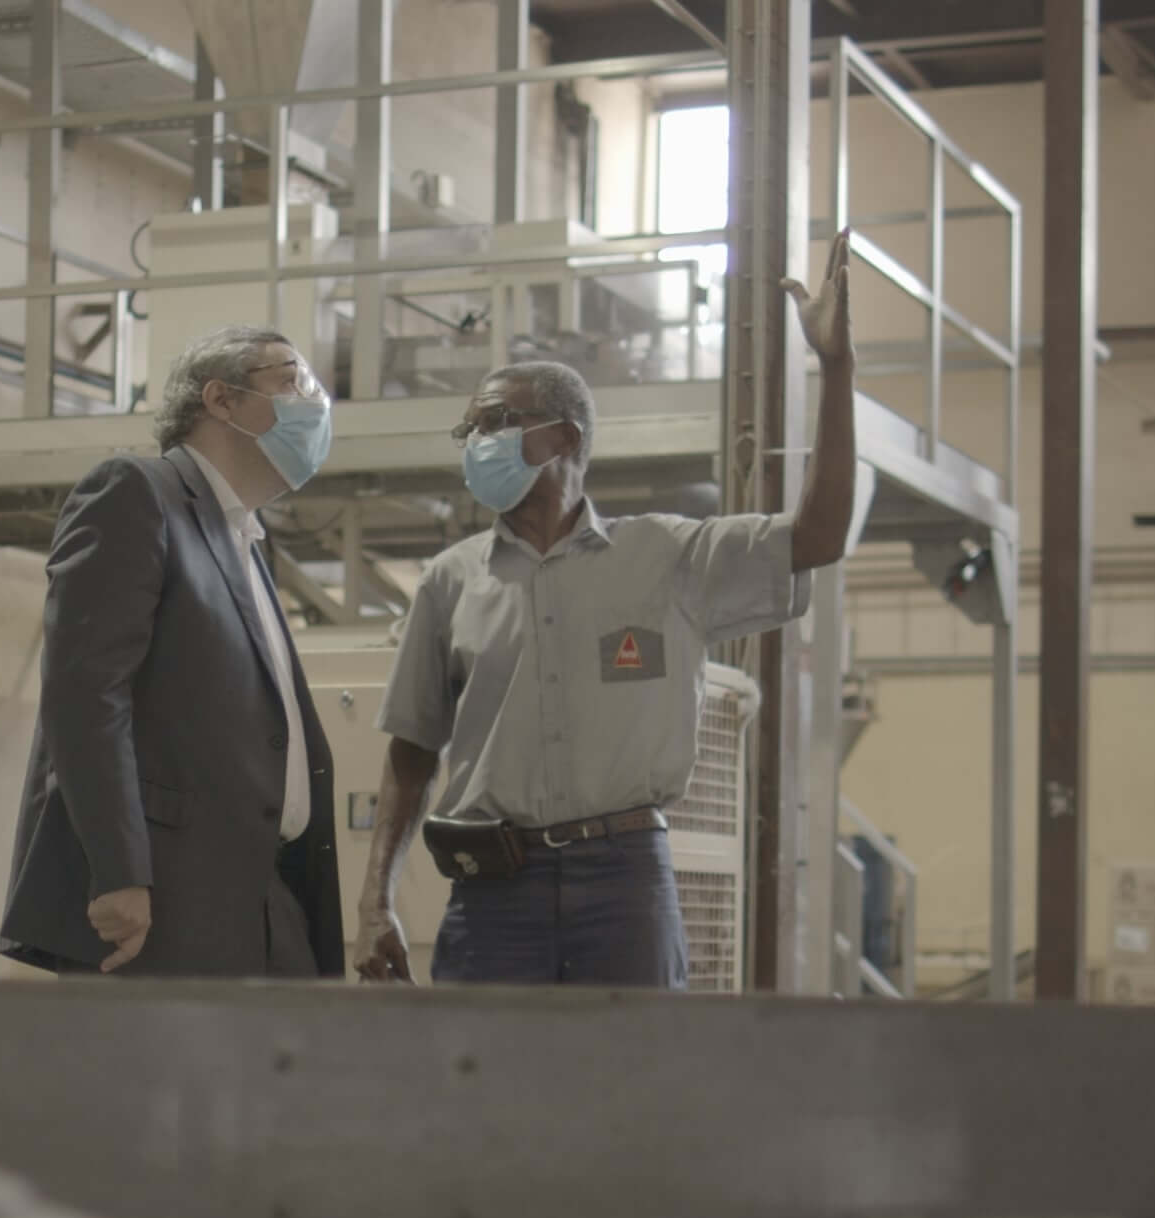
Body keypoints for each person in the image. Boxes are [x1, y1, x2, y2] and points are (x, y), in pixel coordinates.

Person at [355, 231, 858, 989]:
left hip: (623, 885)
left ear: (563, 437)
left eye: (493, 424)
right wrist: (375, 900)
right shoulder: (450, 579)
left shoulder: (668, 558)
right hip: (494, 890)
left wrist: (837, 368)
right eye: (470, 432)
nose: (476, 444)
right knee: (476, 1090)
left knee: (636, 1091)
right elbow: (411, 750)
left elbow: (818, 535)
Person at [0, 326, 345, 978]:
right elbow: (85, 694)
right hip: (168, 900)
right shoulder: (137, 494)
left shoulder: (245, 540)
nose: (314, 403)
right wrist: (118, 871)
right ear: (220, 399)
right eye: (291, 380)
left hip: (269, 903)